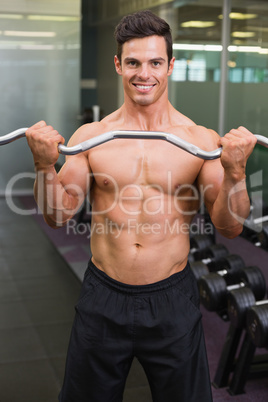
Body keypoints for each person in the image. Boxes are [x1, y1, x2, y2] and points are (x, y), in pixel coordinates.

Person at [26, 10, 257, 402]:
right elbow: (57, 214)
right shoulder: (92, 136)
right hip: (103, 294)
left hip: (172, 297)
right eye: (132, 62)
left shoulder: (198, 139)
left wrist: (235, 174)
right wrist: (44, 165)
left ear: (170, 66)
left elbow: (230, 226)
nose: (143, 73)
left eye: (154, 62)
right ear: (119, 64)